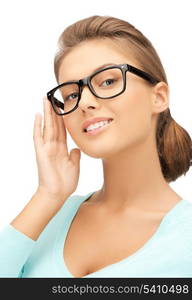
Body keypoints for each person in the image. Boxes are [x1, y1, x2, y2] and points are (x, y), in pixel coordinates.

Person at [0, 15, 192, 278]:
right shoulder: (49, 218)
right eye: (72, 95)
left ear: (158, 97)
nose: (84, 102)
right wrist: (48, 195)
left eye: (108, 81)